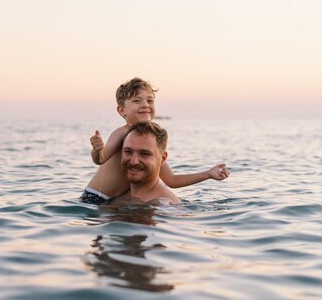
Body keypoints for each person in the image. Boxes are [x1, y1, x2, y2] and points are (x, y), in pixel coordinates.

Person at [79, 77, 229, 205]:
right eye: (137, 101)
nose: (145, 104)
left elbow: (172, 180)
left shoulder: (151, 139)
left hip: (112, 200)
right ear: (121, 110)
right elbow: (100, 159)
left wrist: (208, 174)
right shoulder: (122, 132)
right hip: (94, 198)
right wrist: (97, 149)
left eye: (150, 100)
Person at [112, 121, 180, 205]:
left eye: (144, 154)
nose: (134, 161)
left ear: (162, 158)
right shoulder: (117, 194)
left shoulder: (164, 206)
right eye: (128, 152)